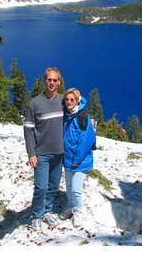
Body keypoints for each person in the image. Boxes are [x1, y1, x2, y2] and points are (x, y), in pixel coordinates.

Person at [24, 67, 64, 231]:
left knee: (53, 186)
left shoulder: (63, 101)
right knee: (41, 187)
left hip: (59, 153)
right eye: (49, 79)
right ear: (45, 80)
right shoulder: (35, 103)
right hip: (41, 154)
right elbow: (28, 129)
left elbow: (78, 106)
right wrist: (31, 153)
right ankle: (36, 215)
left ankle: (47, 210)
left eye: (55, 80)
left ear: (59, 82)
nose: (52, 83)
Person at [59, 88, 96, 227]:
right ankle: (71, 206)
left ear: (77, 101)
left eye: (72, 100)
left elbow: (86, 140)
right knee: (69, 187)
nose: (69, 102)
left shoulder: (82, 116)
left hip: (80, 161)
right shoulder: (66, 116)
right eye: (67, 99)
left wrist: (77, 160)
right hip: (68, 159)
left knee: (76, 189)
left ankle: (78, 211)